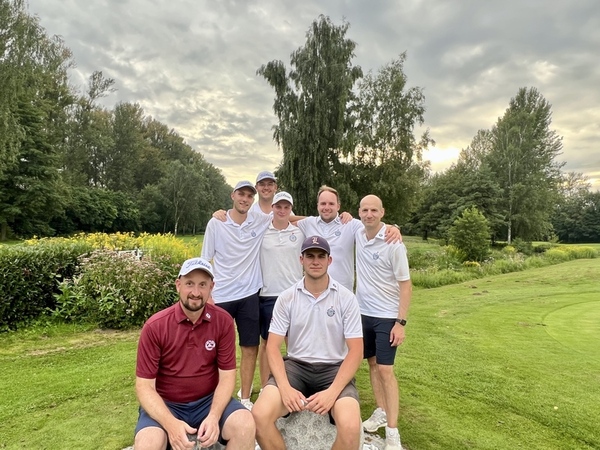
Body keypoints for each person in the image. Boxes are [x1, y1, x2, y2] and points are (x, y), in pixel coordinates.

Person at [252, 236, 364, 450]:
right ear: (301, 259)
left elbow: (356, 351)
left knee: (351, 427)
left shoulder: (346, 298)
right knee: (258, 415)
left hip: (334, 369)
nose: (315, 261)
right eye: (310, 256)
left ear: (329, 260)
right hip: (296, 367)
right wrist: (284, 387)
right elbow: (273, 347)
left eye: (321, 256)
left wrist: (332, 393)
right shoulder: (287, 298)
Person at [134, 257, 255, 450]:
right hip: (167, 404)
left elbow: (227, 377)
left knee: (245, 424)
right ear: (178, 285)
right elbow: (144, 387)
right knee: (148, 444)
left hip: (207, 401)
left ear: (211, 287)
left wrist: (214, 416)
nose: (196, 292)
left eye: (203, 285)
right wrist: (170, 424)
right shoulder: (155, 326)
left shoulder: (222, 321)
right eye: (189, 284)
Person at [201, 180, 271, 410]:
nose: (245, 199)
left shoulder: (258, 219)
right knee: (214, 348)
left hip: (250, 295)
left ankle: (245, 399)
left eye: (250, 196)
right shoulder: (217, 222)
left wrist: (332, 219)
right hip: (221, 296)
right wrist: (206, 294)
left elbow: (286, 216)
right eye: (241, 194)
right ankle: (211, 398)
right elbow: (205, 260)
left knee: (249, 347)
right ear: (233, 195)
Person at [354, 195, 412, 450]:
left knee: (386, 370)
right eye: (365, 210)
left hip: (387, 316)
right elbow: (321, 218)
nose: (369, 214)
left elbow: (406, 284)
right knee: (373, 364)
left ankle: (392, 433)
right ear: (359, 213)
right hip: (362, 313)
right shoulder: (357, 232)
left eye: (374, 210)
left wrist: (400, 322)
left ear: (382, 212)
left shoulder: (393, 242)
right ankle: (380, 411)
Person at [295, 185, 402, 291]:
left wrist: (393, 227)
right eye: (323, 203)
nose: (326, 207)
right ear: (317, 205)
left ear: (338, 206)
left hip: (342, 292)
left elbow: (373, 225)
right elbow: (283, 220)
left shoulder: (350, 224)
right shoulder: (308, 223)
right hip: (313, 291)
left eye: (331, 204)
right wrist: (307, 217)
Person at [258, 191, 304, 387]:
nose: (282, 210)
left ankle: (295, 384)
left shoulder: (300, 232)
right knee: (267, 344)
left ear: (291, 209)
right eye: (279, 206)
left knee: (295, 343)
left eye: (286, 207)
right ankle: (265, 387)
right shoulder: (261, 230)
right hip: (268, 294)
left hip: (294, 295)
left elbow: (320, 222)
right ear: (272, 208)